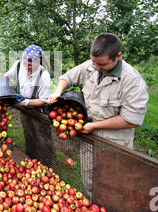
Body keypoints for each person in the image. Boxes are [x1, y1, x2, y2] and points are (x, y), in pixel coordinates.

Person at [47, 33, 149, 199]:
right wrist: (58, 91)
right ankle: (93, 204)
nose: (95, 67)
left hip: (113, 142)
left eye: (101, 64)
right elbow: (67, 77)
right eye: (93, 61)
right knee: (89, 177)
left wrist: (95, 125)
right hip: (89, 137)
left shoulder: (131, 81)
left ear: (118, 56)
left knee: (112, 181)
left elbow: (132, 119)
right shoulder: (91, 66)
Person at [6, 45, 54, 164]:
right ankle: (32, 160)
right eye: (25, 64)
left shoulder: (43, 75)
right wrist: (4, 84)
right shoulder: (18, 65)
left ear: (38, 62)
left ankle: (49, 165)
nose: (27, 67)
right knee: (29, 133)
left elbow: (44, 100)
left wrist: (27, 102)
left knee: (43, 139)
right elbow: (7, 75)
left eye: (30, 65)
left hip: (38, 110)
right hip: (24, 108)